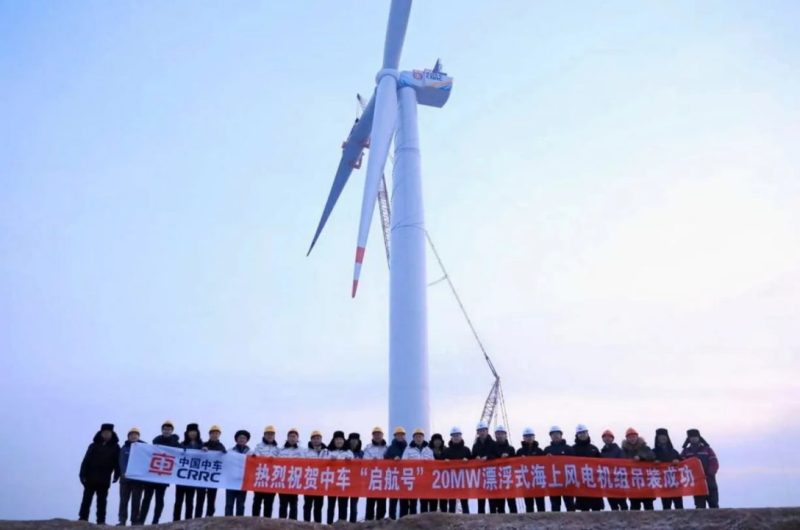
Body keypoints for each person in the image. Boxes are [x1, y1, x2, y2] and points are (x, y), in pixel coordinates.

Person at [78, 423, 120, 525]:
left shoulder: (115, 447)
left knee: (102, 501)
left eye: (108, 433)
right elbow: (86, 461)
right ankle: (83, 518)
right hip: (90, 477)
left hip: (104, 478)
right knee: (86, 499)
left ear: (112, 434)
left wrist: (116, 475)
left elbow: (117, 463)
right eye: (104, 432)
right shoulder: (93, 445)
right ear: (101, 433)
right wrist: (82, 474)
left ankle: (101, 520)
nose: (106, 434)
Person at [139, 420, 179, 524]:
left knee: (159, 499)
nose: (167, 431)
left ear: (172, 431)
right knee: (146, 499)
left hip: (163, 476)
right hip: (151, 475)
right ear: (162, 430)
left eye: (169, 429)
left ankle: (155, 521)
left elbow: (183, 452)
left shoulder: (175, 444)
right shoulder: (156, 441)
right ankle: (141, 520)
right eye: (165, 429)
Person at [681, 428, 719, 509]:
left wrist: (709, 474)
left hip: (709, 481)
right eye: (691, 437)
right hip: (697, 483)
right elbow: (681, 465)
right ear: (688, 439)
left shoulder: (708, 450)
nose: (693, 439)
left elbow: (714, 463)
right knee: (699, 506)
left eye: (695, 437)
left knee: (713, 504)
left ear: (699, 437)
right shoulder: (686, 451)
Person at [173, 423, 203, 521]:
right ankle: (176, 520)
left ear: (197, 433)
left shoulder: (201, 446)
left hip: (192, 478)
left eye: (194, 432)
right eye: (190, 432)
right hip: (181, 477)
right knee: (178, 501)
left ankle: (188, 520)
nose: (192, 433)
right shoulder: (182, 444)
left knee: (189, 501)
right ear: (187, 433)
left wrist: (205, 450)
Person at [622, 427, 656, 510]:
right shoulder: (624, 450)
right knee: (634, 508)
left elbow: (652, 456)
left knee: (649, 507)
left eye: (633, 436)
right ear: (627, 439)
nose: (632, 439)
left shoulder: (645, 447)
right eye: (629, 437)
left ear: (637, 437)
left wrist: (641, 457)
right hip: (632, 483)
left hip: (646, 483)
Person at [118, 427, 146, 526]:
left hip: (137, 480)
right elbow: (121, 462)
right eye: (131, 435)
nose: (133, 436)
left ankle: (134, 520)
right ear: (128, 437)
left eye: (136, 435)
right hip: (125, 479)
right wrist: (124, 473)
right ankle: (122, 520)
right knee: (123, 501)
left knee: (136, 501)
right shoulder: (124, 448)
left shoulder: (144, 448)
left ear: (138, 437)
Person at [572, 424, 603, 511]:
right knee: (584, 510)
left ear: (587, 433)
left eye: (584, 432)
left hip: (594, 483)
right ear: (577, 435)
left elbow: (602, 464)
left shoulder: (594, 448)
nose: (583, 435)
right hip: (581, 483)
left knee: (596, 509)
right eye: (580, 433)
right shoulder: (573, 449)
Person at [543, 425, 575, 512]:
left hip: (567, 481)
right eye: (553, 434)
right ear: (550, 436)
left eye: (557, 433)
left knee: (570, 504)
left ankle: (572, 520)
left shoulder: (569, 449)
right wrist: (546, 459)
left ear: (561, 435)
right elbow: (542, 466)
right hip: (553, 483)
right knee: (555, 506)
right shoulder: (547, 450)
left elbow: (575, 464)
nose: (555, 436)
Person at [403, 428, 434, 515]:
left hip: (425, 481)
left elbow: (433, 464)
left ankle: (423, 521)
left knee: (424, 503)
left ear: (423, 438)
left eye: (420, 436)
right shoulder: (408, 449)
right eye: (416, 436)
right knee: (413, 503)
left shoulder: (428, 450)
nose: (418, 438)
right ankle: (413, 521)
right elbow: (403, 463)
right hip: (413, 480)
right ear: (413, 438)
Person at [326, 430, 354, 524]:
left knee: (343, 506)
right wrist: (329, 460)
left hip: (343, 482)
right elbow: (322, 463)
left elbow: (354, 467)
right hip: (331, 483)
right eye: (337, 439)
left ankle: (342, 526)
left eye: (341, 439)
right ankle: (329, 525)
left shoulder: (349, 452)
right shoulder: (328, 451)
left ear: (344, 440)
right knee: (331, 506)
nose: (339, 441)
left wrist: (350, 461)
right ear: (333, 441)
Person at [252, 425, 279, 518]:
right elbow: (255, 456)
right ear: (264, 435)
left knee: (269, 503)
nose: (270, 436)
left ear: (274, 436)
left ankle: (267, 523)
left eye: (272, 434)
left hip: (271, 480)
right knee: (257, 501)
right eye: (268, 434)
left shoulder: (277, 449)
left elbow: (281, 461)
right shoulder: (258, 447)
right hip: (260, 478)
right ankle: (254, 521)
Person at [516, 427, 545, 513]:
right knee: (529, 505)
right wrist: (520, 460)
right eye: (526, 436)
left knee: (541, 505)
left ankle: (542, 519)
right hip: (526, 482)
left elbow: (545, 465)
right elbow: (515, 466)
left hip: (538, 481)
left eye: (530, 436)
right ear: (523, 438)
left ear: (534, 437)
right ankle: (529, 520)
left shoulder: (539, 451)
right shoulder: (519, 452)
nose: (529, 438)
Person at [443, 426, 471, 514]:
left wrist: (468, 461)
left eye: (457, 435)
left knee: (464, 503)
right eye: (454, 436)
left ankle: (467, 519)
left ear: (461, 436)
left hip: (463, 480)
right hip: (451, 480)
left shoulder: (466, 450)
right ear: (451, 437)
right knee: (452, 503)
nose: (456, 437)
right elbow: (440, 464)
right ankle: (451, 520)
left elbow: (473, 463)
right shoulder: (446, 451)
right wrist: (444, 461)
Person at [200, 425, 226, 517]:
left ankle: (209, 516)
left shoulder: (221, 446)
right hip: (202, 476)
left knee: (211, 498)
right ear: (210, 434)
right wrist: (202, 449)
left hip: (213, 477)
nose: (215, 435)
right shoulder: (204, 444)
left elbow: (225, 460)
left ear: (219, 435)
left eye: (217, 433)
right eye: (213, 433)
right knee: (200, 498)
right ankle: (198, 516)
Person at [654, 428, 683, 510]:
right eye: (660, 436)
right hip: (663, 483)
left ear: (667, 438)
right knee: (666, 507)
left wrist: (678, 461)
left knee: (679, 506)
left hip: (675, 483)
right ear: (657, 438)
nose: (662, 438)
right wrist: (654, 462)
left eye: (664, 436)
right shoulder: (654, 452)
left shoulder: (674, 451)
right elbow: (647, 463)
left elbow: (683, 462)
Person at [471, 421, 496, 514]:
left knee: (492, 500)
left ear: (487, 431)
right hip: (480, 476)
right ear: (477, 432)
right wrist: (476, 458)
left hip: (491, 475)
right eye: (480, 431)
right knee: (481, 500)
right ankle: (480, 519)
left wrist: (488, 457)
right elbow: (472, 457)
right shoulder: (475, 445)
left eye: (483, 430)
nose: (482, 432)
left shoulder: (493, 444)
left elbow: (496, 455)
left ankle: (493, 518)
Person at [277, 428, 303, 520]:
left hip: (295, 481)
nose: (292, 438)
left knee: (294, 504)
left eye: (294, 436)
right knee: (283, 503)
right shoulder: (281, 450)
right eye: (290, 436)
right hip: (283, 481)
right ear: (287, 438)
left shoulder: (302, 451)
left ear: (297, 438)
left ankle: (293, 523)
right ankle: (281, 522)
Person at [363, 426, 388, 520]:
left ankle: (380, 522)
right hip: (372, 478)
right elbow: (364, 459)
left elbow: (389, 460)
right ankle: (369, 523)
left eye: (379, 434)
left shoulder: (387, 448)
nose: (377, 436)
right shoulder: (368, 447)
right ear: (372, 436)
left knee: (382, 504)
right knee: (370, 502)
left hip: (383, 479)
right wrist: (371, 460)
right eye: (375, 434)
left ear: (382, 435)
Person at [303, 430, 328, 523]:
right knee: (307, 505)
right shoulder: (306, 452)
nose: (316, 440)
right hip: (309, 481)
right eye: (314, 438)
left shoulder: (327, 451)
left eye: (318, 438)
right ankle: (306, 525)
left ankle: (318, 526)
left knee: (318, 506)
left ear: (321, 439)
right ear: (311, 440)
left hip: (320, 483)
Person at [600, 429, 628, 511]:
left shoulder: (619, 450)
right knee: (613, 505)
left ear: (612, 438)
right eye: (605, 437)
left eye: (609, 437)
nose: (607, 438)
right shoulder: (602, 452)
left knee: (623, 505)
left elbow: (623, 463)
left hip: (619, 482)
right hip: (608, 483)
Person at [224, 430, 250, 516]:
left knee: (241, 505)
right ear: (236, 439)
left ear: (247, 440)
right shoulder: (229, 451)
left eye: (244, 438)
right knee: (229, 504)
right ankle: (227, 522)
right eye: (240, 438)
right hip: (231, 482)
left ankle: (240, 522)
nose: (242, 439)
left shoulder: (251, 453)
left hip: (243, 482)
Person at [385, 427, 409, 519]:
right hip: (394, 477)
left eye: (401, 435)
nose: (400, 436)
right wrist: (393, 459)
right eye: (398, 435)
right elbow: (385, 460)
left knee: (404, 502)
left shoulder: (408, 448)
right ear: (395, 436)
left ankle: (403, 520)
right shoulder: (390, 448)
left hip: (404, 477)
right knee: (393, 501)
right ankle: (392, 520)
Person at [493, 425, 518, 513]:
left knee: (512, 504)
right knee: (500, 505)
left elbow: (516, 462)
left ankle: (514, 519)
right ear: (495, 435)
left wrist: (508, 457)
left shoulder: (511, 449)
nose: (500, 436)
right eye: (498, 434)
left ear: (505, 435)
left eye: (502, 434)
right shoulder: (493, 448)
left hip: (509, 480)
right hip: (498, 480)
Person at [347, 432, 364, 522]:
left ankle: (353, 524)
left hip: (356, 483)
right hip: (345, 480)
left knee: (354, 506)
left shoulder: (361, 454)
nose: (354, 442)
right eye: (352, 440)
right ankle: (342, 524)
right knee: (343, 505)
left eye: (355, 440)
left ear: (358, 442)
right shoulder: (345, 452)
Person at [428, 433, 447, 512]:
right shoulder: (428, 450)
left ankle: (444, 518)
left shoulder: (446, 450)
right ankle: (432, 518)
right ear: (432, 441)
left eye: (439, 440)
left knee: (444, 503)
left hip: (443, 480)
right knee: (433, 503)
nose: (437, 442)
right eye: (435, 440)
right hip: (431, 480)